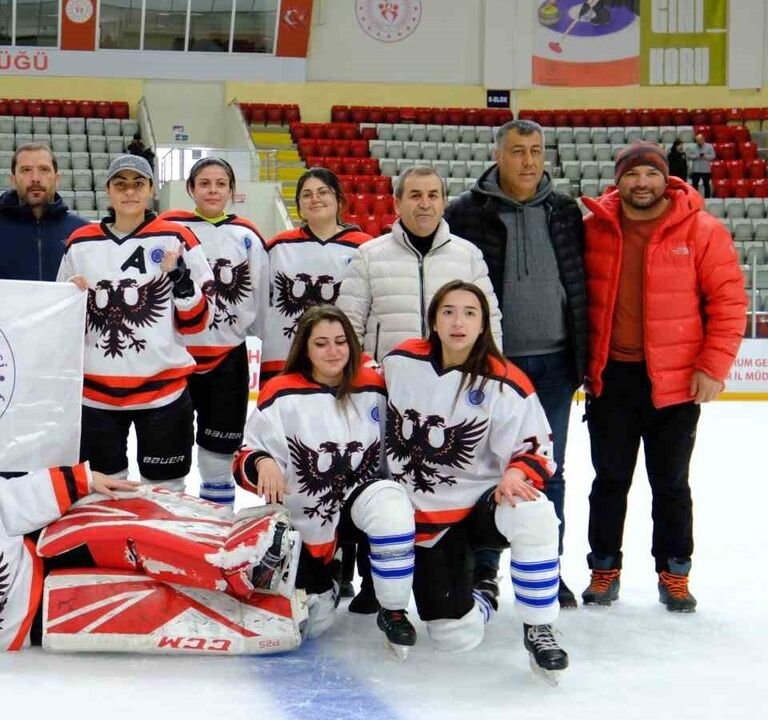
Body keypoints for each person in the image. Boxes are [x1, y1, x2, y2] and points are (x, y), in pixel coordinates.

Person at [0, 453, 299, 659]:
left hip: (43, 562)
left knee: (127, 525)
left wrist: (84, 479)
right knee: (158, 602)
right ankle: (274, 612)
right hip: (38, 622)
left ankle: (249, 557)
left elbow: (19, 495)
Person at [580, 143, 746, 612]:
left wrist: (713, 367)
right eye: (633, 175)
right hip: (613, 380)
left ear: (666, 178)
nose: (642, 183)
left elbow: (729, 302)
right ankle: (603, 569)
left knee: (671, 483)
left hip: (674, 383)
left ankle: (674, 573)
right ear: (620, 181)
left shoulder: (701, 230)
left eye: (651, 174)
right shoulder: (596, 229)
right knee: (609, 481)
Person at [382, 280, 568, 680]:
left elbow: (537, 447)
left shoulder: (505, 380)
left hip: (480, 506)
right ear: (433, 320)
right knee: (453, 637)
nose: (458, 322)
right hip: (421, 521)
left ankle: (539, 625)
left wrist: (517, 471)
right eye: (448, 311)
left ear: (484, 324)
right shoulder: (399, 362)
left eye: (470, 313)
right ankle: (483, 593)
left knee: (534, 510)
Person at [444, 120, 587, 609]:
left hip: (555, 365)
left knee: (550, 470)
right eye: (518, 151)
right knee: (484, 468)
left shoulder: (566, 211)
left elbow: (581, 281)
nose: (529, 161)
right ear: (498, 155)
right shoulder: (464, 212)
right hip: (492, 367)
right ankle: (484, 572)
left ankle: (547, 568)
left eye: (536, 151)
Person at [234, 305, 417, 653]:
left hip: (359, 506)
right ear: (305, 348)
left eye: (340, 341)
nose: (333, 351)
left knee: (391, 503)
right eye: (321, 344)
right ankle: (329, 576)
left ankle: (393, 608)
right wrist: (262, 462)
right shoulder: (282, 393)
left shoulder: (375, 386)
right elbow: (244, 454)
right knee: (313, 624)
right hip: (305, 522)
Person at [56, 154, 214, 491]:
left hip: (164, 395)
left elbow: (199, 323)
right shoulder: (80, 243)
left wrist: (183, 284)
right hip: (95, 398)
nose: (130, 192)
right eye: (121, 184)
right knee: (102, 494)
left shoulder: (177, 238)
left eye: (138, 183)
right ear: (108, 192)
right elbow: (61, 326)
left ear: (152, 190)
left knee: (166, 494)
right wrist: (71, 302)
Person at [158, 157, 267, 508]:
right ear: (190, 189)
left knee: (218, 455)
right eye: (204, 183)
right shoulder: (167, 227)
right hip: (175, 358)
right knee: (168, 458)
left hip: (227, 361)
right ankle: (172, 533)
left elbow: (261, 296)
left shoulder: (247, 235)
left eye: (221, 184)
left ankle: (216, 529)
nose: (213, 190)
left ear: (232, 192)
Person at [339, 165, 501, 361]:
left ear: (444, 203)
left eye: (432, 196)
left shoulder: (469, 256)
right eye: (415, 196)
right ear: (397, 204)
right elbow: (348, 325)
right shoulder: (368, 256)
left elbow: (490, 320)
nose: (425, 204)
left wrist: (492, 369)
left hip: (454, 379)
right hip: (387, 381)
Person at [259, 167, 372, 386]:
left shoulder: (364, 247)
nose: (315, 199)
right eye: (307, 194)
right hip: (282, 359)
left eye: (323, 192)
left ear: (338, 200)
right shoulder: (278, 246)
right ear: (299, 206)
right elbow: (260, 303)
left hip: (339, 361)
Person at [0, 142, 88, 281]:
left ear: (57, 179)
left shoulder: (82, 231)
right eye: (26, 170)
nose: (35, 178)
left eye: (44, 169)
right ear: (13, 180)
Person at [686, 133, 715, 198]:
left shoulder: (709, 146)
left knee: (706, 184)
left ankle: (707, 198)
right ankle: (694, 198)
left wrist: (705, 156)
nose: (699, 142)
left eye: (700, 140)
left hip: (705, 169)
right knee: (695, 185)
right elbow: (689, 156)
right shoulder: (693, 147)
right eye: (697, 141)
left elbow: (713, 156)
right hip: (696, 169)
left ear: (703, 139)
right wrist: (696, 156)